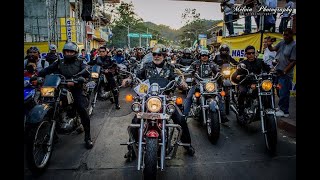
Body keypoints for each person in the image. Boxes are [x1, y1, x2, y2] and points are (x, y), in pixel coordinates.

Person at [124, 45, 195, 157]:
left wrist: (182, 83)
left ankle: (187, 144)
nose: (156, 56)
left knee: (180, 119)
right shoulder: (147, 66)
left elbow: (177, 77)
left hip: (165, 99)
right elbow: (136, 76)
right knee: (136, 121)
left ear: (164, 56)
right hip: (148, 99)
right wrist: (128, 79)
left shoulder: (170, 68)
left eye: (159, 54)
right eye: (154, 54)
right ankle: (131, 148)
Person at [38, 42, 94, 149]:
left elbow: (86, 71)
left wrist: (78, 79)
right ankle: (53, 133)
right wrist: (36, 76)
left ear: (75, 52)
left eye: (71, 51)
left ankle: (87, 137)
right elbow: (47, 70)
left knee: (81, 109)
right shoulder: (59, 61)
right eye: (67, 51)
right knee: (49, 103)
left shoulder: (80, 62)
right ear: (64, 52)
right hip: (61, 86)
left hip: (76, 87)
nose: (68, 53)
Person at [184, 49, 229, 123]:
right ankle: (184, 116)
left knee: (219, 96)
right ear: (200, 56)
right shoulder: (196, 63)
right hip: (198, 84)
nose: (204, 57)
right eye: (203, 55)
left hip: (209, 85)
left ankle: (223, 116)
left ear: (208, 56)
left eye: (206, 56)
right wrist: (191, 72)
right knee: (189, 97)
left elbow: (217, 69)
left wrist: (220, 73)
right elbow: (190, 69)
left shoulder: (212, 64)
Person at [234, 45, 271, 122]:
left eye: (252, 53)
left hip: (258, 83)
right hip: (245, 83)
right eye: (248, 53)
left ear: (255, 53)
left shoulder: (260, 61)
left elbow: (268, 69)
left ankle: (266, 108)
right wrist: (239, 76)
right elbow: (237, 73)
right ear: (246, 54)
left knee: (267, 90)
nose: (251, 55)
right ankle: (241, 109)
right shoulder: (243, 63)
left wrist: (273, 71)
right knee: (243, 92)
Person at [267, 28, 296, 117]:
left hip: (286, 74)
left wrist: (285, 70)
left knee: (284, 92)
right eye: (284, 34)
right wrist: (269, 45)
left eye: (287, 35)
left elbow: (294, 61)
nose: (285, 36)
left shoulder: (294, 45)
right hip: (278, 71)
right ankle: (280, 107)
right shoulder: (282, 42)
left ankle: (285, 111)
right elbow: (273, 49)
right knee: (279, 91)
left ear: (292, 35)